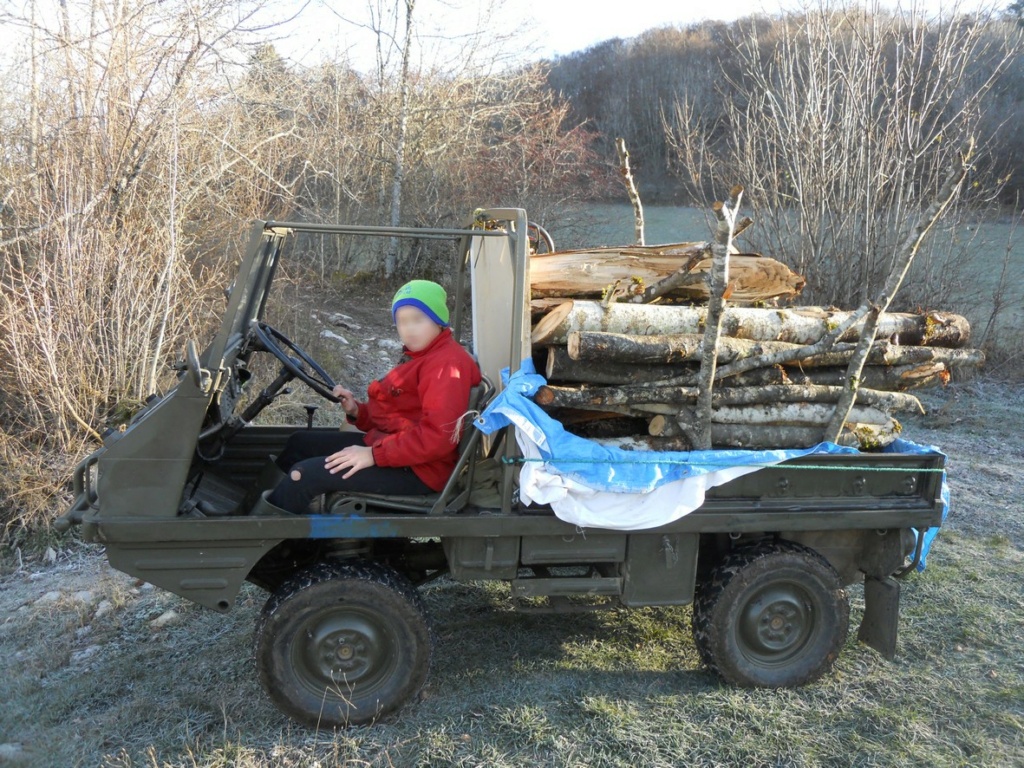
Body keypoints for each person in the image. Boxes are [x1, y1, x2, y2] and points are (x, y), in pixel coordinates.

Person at [266, 279, 481, 514]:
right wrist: (358, 412)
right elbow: (398, 417)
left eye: (418, 320)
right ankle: (259, 510)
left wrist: (373, 455)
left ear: (439, 321)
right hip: (398, 451)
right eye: (402, 321)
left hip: (421, 470)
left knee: (304, 475)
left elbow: (437, 438)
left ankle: (263, 538)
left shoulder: (445, 365)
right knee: (300, 444)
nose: (409, 329)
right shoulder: (423, 356)